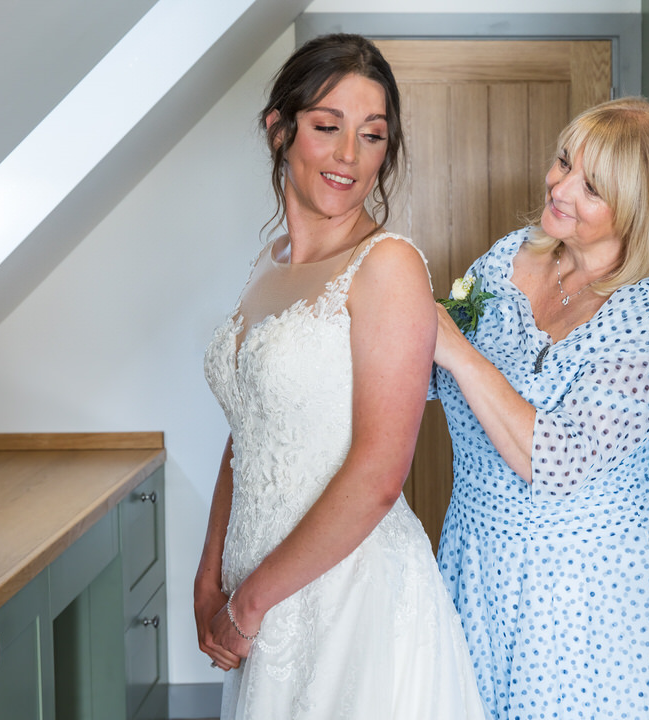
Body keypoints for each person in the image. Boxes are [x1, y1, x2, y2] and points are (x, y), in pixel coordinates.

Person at [195, 34, 485, 720]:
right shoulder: (268, 264)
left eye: (373, 135)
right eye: (328, 128)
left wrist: (248, 603)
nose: (350, 156)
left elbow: (382, 475)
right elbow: (246, 438)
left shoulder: (387, 268)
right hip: (260, 599)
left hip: (353, 600)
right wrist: (209, 582)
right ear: (279, 130)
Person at [431, 97, 649, 718]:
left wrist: (455, 351)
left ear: (641, 210)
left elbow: (558, 460)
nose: (559, 187)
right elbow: (434, 376)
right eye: (564, 162)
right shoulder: (509, 257)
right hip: (482, 559)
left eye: (591, 186)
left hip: (601, 588)